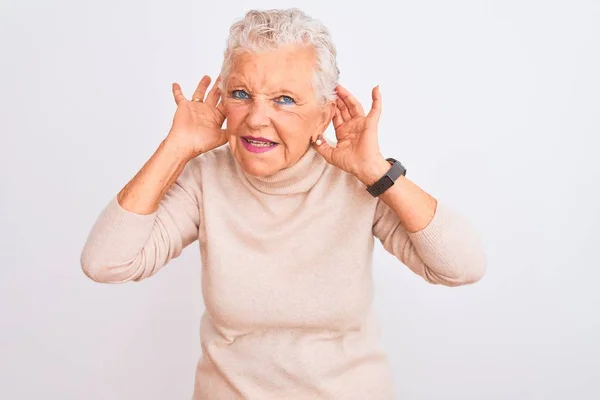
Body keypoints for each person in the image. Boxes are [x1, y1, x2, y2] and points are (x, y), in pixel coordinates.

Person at [80, 8, 486, 400]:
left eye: (284, 100)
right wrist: (176, 148)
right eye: (241, 94)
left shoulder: (359, 182)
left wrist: (378, 171)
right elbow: (106, 263)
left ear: (325, 114)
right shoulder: (206, 177)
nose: (256, 118)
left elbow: (460, 267)